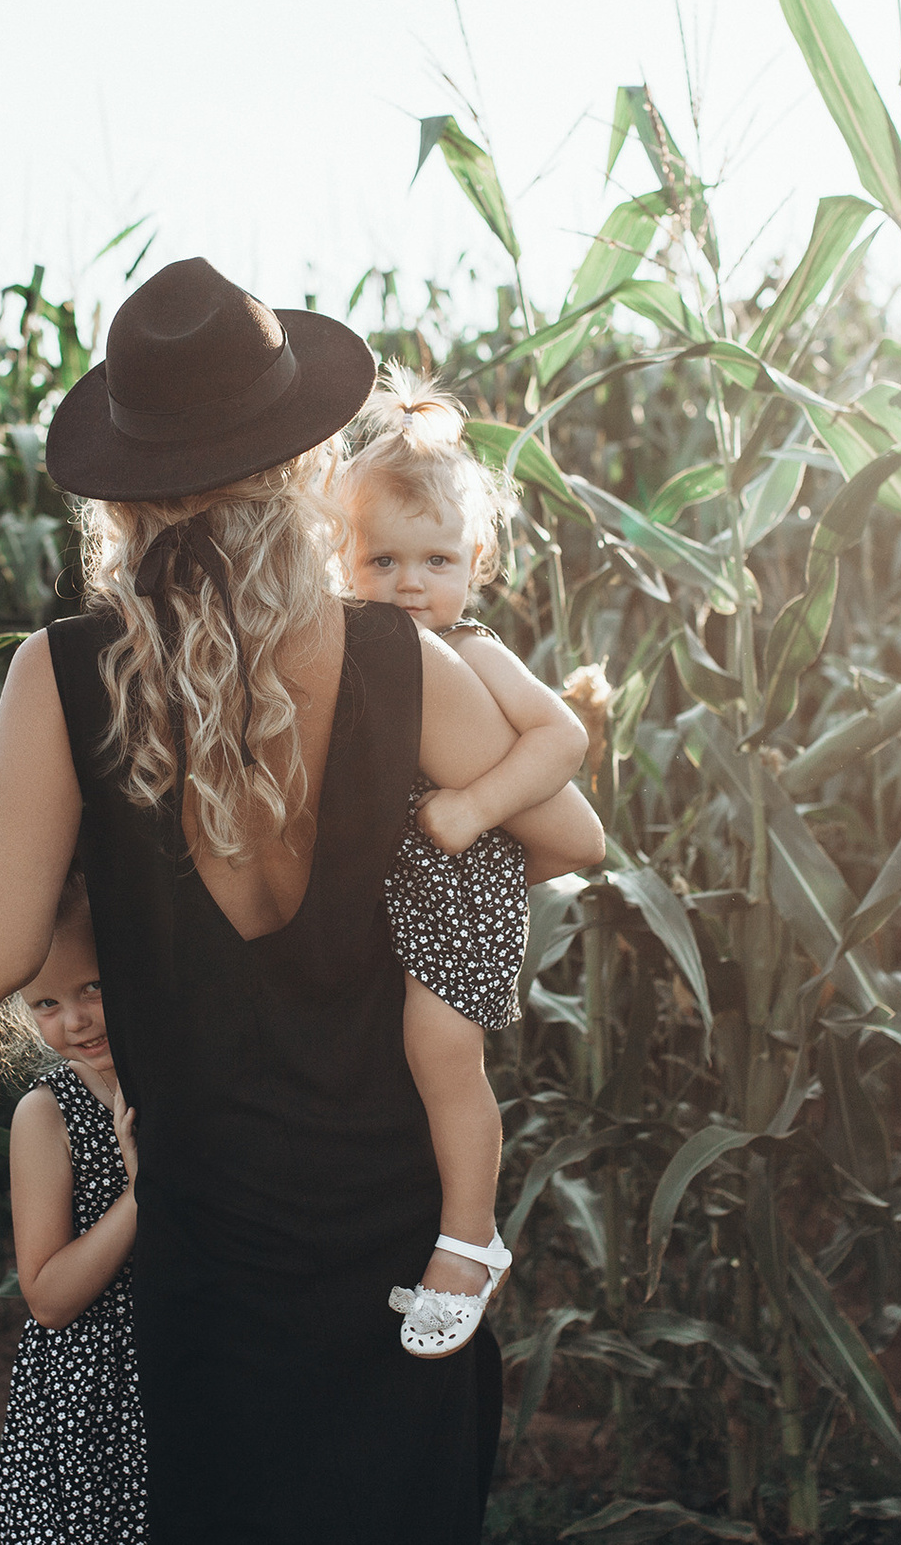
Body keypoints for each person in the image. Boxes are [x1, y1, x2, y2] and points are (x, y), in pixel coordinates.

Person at [0, 257, 603, 1543]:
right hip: (400, 1236)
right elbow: (571, 833)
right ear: (301, 465)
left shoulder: (63, 675)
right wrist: (416, 848)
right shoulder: (400, 658)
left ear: (123, 496)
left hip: (208, 1252)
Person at [340, 374, 591, 1359]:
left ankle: (470, 1238)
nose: (409, 583)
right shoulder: (358, 647)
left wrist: (475, 805)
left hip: (463, 887)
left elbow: (561, 737)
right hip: (401, 889)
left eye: (436, 560)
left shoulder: (474, 652)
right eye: (382, 559)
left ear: (477, 564)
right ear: (341, 559)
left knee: (444, 1060)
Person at [0, 872, 146, 1544]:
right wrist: (144, 1195)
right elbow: (48, 1297)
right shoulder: (48, 1114)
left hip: (188, 1365)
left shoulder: (183, 1078)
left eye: (93, 986)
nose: (75, 1019)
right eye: (46, 1001)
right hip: (95, 1400)